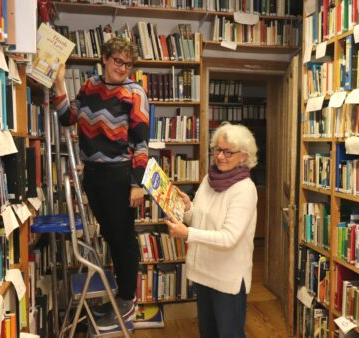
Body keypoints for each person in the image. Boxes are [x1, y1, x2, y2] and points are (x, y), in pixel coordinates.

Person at [52, 37, 149, 331]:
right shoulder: (90, 87)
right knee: (110, 234)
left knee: (123, 238)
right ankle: (119, 296)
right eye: (118, 61)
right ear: (105, 58)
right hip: (92, 175)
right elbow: (68, 118)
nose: (123, 68)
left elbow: (142, 143)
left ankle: (127, 299)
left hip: (120, 175)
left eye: (128, 64)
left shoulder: (135, 93)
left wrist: (137, 184)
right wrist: (58, 84)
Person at [165, 122, 258, 338]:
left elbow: (229, 238)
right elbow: (200, 218)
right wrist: (188, 208)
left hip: (227, 277)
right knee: (208, 332)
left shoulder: (245, 189)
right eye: (217, 149)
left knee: (229, 334)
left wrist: (187, 234)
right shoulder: (209, 179)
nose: (220, 157)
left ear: (243, 156)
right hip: (204, 271)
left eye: (228, 152)